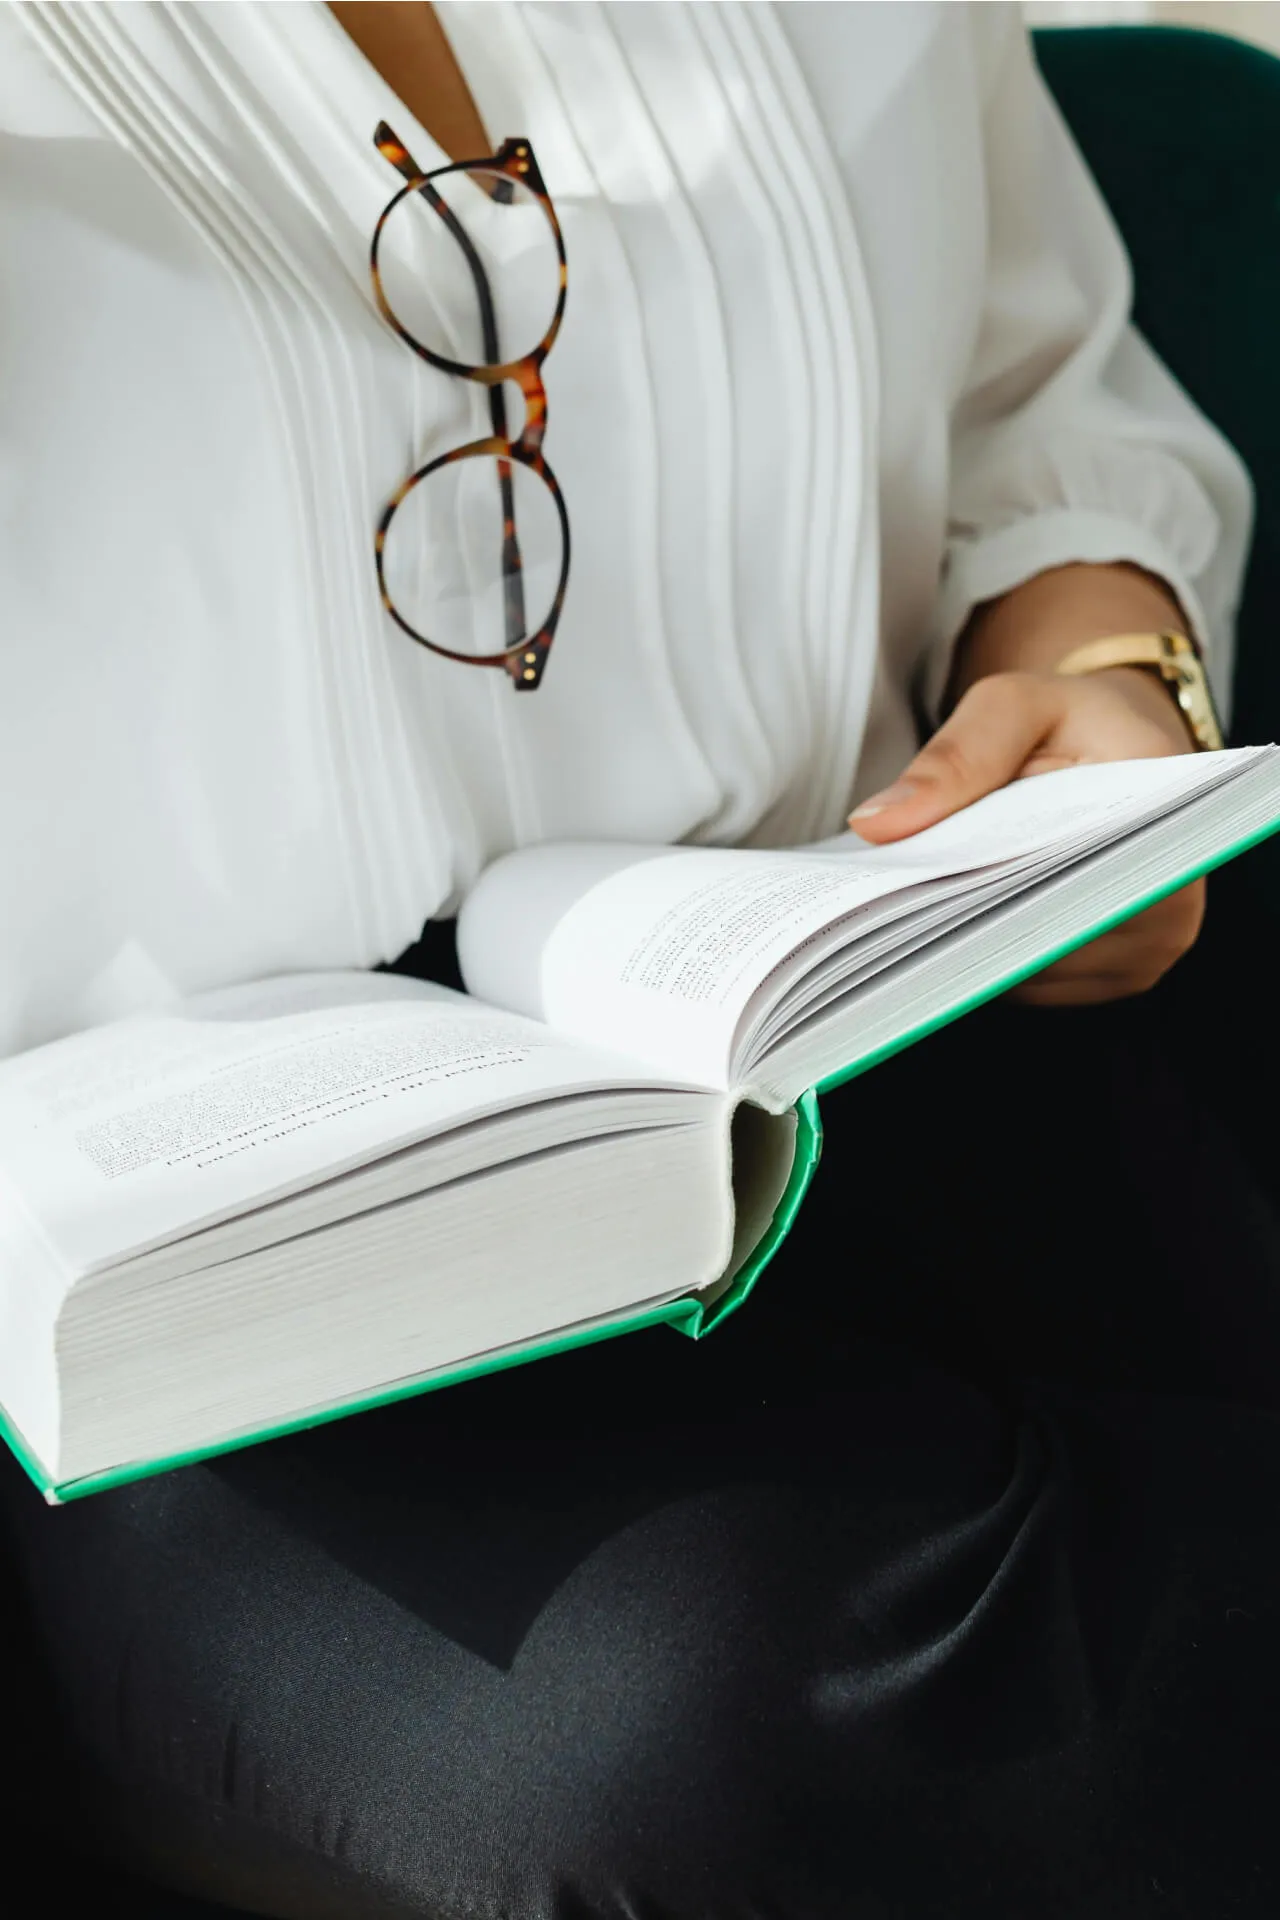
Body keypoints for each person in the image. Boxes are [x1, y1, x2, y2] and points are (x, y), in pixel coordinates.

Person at [1, 3, 1277, 1915]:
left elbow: (1032, 382)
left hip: (894, 980)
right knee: (731, 1742)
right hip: (194, 1297)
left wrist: (1090, 649)